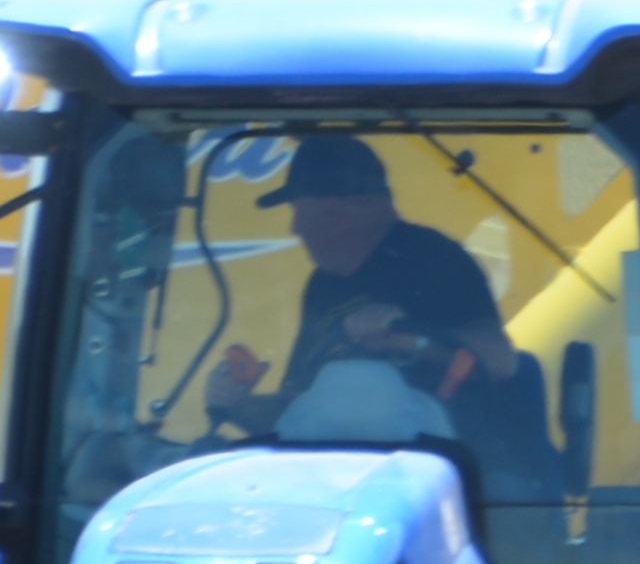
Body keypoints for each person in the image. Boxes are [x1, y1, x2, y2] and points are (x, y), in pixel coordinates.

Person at [209, 135, 552, 479]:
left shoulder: (434, 260)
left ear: (333, 211)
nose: (295, 229)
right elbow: (297, 405)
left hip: (454, 475)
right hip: (345, 477)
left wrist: (406, 339)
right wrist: (237, 402)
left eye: (299, 212)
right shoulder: (321, 287)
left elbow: (501, 360)